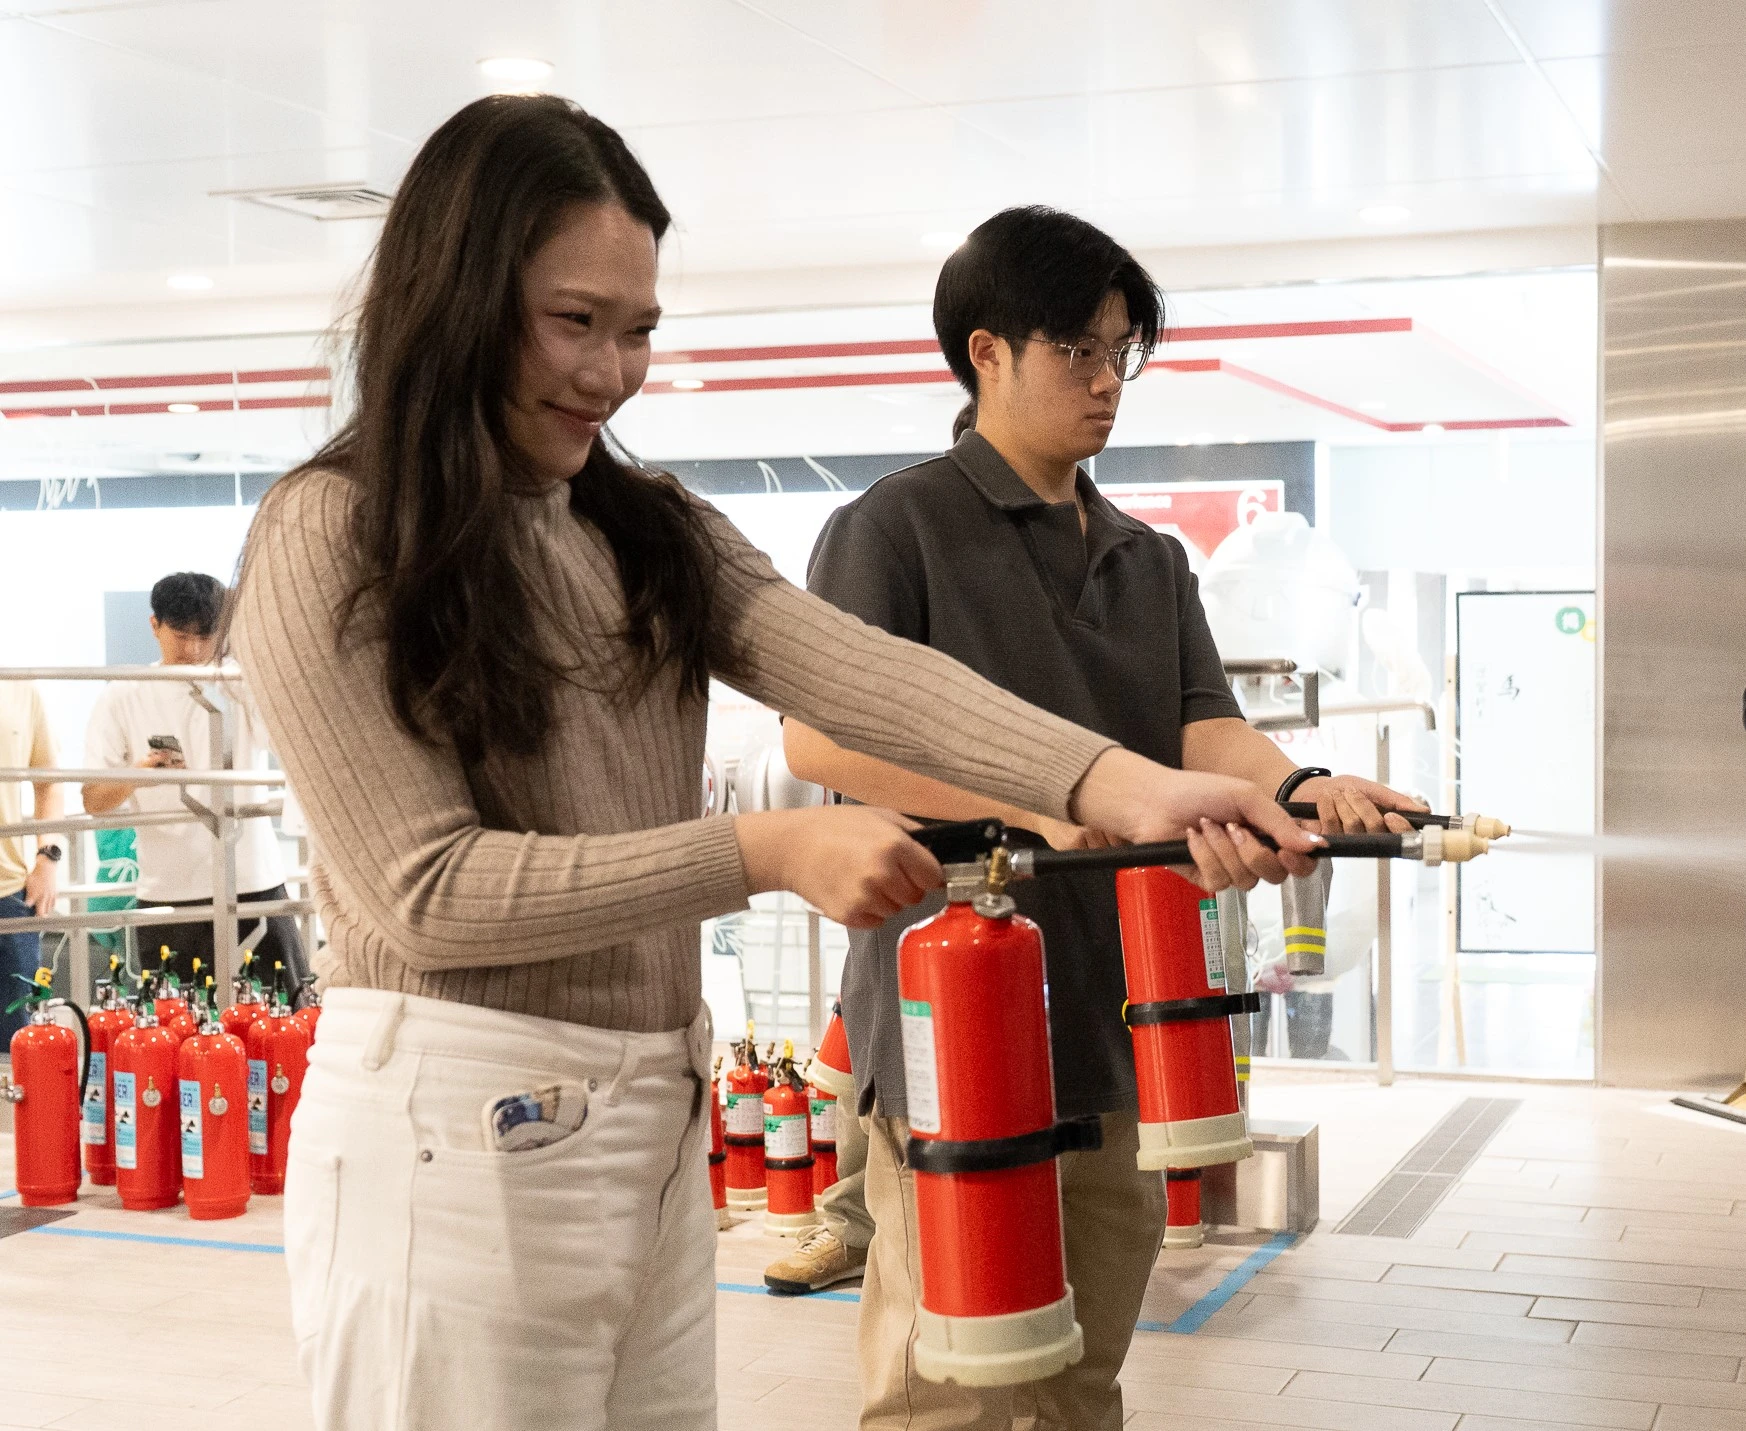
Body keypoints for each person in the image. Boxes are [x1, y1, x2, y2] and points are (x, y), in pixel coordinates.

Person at [224, 96, 1323, 1431]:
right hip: (448, 1119)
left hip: (651, 1102)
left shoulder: (645, 525)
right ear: (452, 299)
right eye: (574, 321)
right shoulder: (330, 530)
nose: (611, 371)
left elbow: (863, 672)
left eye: (638, 330)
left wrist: (1119, 783)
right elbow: (426, 892)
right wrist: (763, 851)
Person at [789, 205, 1425, 1430]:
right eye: (1077, 349)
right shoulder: (895, 527)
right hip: (955, 1010)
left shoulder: (1147, 555)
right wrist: (1051, 795)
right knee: (952, 1387)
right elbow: (826, 739)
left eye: (1121, 351)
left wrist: (1298, 788)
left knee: (1082, 1377)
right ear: (985, 353)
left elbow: (1201, 729)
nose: (1107, 381)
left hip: (1116, 1005)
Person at [81, 572, 306, 989]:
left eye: (206, 636)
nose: (194, 650)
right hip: (168, 889)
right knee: (176, 1019)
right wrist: (139, 777)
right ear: (155, 626)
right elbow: (94, 799)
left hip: (253, 880)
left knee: (286, 1009)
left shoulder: (242, 683)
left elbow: (297, 743)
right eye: (181, 636)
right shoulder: (123, 695)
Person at [0, 680, 63, 1046]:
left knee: (18, 1047)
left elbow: (49, 781)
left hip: (9, 895)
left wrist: (48, 858)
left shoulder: (19, 688)